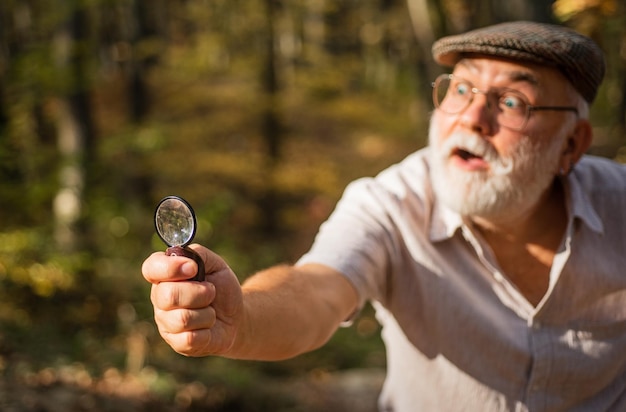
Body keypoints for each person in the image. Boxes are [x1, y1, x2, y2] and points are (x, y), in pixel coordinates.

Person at [142, 21, 626, 411]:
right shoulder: (390, 202)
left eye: (513, 101)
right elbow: (316, 289)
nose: (473, 117)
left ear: (571, 144)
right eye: (460, 89)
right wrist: (242, 318)